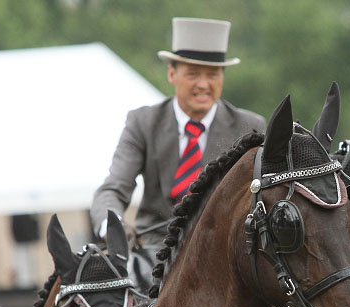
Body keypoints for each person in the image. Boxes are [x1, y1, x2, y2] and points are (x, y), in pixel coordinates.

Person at [90, 17, 266, 247]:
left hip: (224, 253)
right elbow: (113, 189)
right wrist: (111, 227)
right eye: (193, 74)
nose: (203, 84)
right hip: (154, 252)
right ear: (172, 74)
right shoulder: (142, 122)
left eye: (212, 75)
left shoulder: (250, 128)